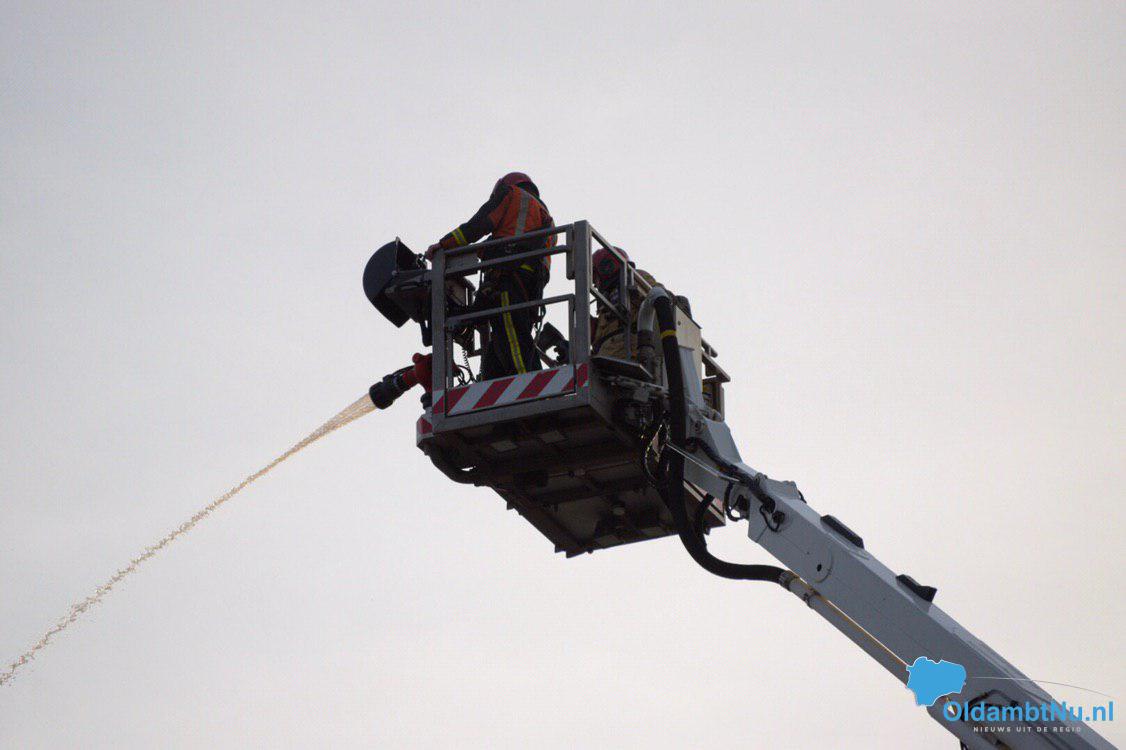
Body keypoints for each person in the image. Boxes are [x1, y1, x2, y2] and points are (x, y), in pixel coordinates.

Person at [426, 172, 554, 379]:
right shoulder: (545, 217)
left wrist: (444, 245)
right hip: (529, 287)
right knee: (504, 342)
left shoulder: (511, 194)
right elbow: (509, 243)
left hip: (508, 280)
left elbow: (479, 224)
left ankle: (532, 387)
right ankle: (496, 381)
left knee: (514, 343)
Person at [590, 246, 660, 360]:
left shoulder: (634, 277)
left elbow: (659, 296)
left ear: (606, 267)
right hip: (606, 359)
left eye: (595, 277)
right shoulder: (605, 304)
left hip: (629, 354)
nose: (594, 284)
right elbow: (603, 336)